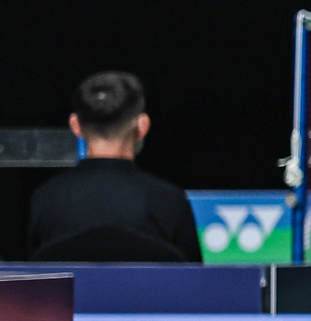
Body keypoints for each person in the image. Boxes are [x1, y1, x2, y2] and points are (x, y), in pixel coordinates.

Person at [28, 73, 201, 263]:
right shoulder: (169, 201)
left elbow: (27, 277)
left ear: (75, 125)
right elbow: (195, 279)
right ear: (142, 125)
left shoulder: (46, 199)